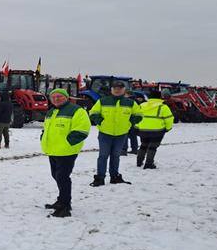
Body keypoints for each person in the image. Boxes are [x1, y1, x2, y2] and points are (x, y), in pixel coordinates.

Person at [41, 89, 91, 218]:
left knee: (62, 177)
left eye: (59, 96)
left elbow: (82, 129)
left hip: (67, 151)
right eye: (54, 97)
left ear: (66, 97)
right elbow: (46, 128)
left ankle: (65, 205)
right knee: (56, 175)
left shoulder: (76, 110)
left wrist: (68, 143)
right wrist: (43, 137)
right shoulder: (51, 111)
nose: (56, 99)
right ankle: (61, 199)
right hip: (53, 150)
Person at [88, 81, 142, 187]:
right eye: (115, 88)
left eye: (120, 88)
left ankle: (114, 176)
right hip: (105, 134)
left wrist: (130, 122)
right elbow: (93, 113)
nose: (117, 90)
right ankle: (100, 178)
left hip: (121, 134)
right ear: (111, 89)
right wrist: (101, 122)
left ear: (124, 90)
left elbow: (139, 114)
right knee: (103, 156)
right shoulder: (102, 101)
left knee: (116, 156)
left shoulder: (130, 103)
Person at [135, 90, 174, 169]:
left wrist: (137, 127)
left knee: (143, 145)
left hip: (143, 130)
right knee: (152, 147)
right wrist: (168, 128)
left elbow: (137, 116)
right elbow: (169, 119)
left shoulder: (142, 105)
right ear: (160, 97)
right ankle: (149, 164)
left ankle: (139, 162)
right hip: (157, 131)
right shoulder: (163, 107)